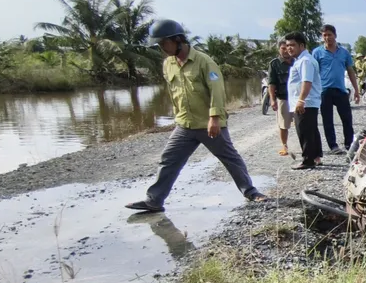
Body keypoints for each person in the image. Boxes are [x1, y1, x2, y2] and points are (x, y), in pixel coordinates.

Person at [125, 19, 267, 213]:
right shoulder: (168, 64)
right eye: (159, 44)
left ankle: (250, 191)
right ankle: (154, 200)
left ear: (177, 40)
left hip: (208, 123)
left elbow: (217, 90)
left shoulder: (204, 62)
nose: (162, 48)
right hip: (184, 125)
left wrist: (215, 117)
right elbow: (173, 92)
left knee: (229, 158)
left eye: (164, 43)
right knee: (168, 160)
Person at [311, 24, 360, 153]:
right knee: (328, 120)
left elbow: (350, 71)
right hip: (324, 91)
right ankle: (333, 146)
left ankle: (349, 145)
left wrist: (356, 90)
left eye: (329, 35)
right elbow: (313, 73)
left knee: (347, 119)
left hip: (341, 90)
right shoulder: (317, 52)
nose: (327, 38)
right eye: (324, 35)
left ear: (335, 35)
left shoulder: (344, 52)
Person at [284, 32, 323, 170]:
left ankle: (308, 160)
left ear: (302, 45)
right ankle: (316, 157)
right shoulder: (301, 60)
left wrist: (301, 100)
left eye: (292, 45)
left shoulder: (305, 61)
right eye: (287, 45)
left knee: (304, 131)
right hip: (307, 101)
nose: (289, 48)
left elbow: (307, 81)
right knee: (311, 130)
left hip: (305, 102)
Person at [266, 39, 294, 156]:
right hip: (283, 98)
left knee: (302, 124)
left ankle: (306, 146)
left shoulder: (297, 61)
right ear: (279, 49)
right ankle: (285, 146)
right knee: (283, 125)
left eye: (287, 48)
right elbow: (271, 84)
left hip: (297, 98)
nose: (286, 51)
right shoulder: (274, 64)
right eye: (283, 48)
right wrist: (272, 100)